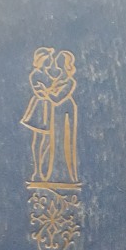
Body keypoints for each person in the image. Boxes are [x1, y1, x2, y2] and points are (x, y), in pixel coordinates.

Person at [21, 48, 78, 183]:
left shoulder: (60, 79)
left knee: (48, 141)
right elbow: (41, 93)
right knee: (39, 140)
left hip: (52, 111)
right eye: (49, 60)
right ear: (41, 60)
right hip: (40, 111)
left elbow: (54, 95)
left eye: (55, 62)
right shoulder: (36, 75)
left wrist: (46, 91)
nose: (52, 65)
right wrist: (47, 92)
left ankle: (45, 170)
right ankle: (38, 171)